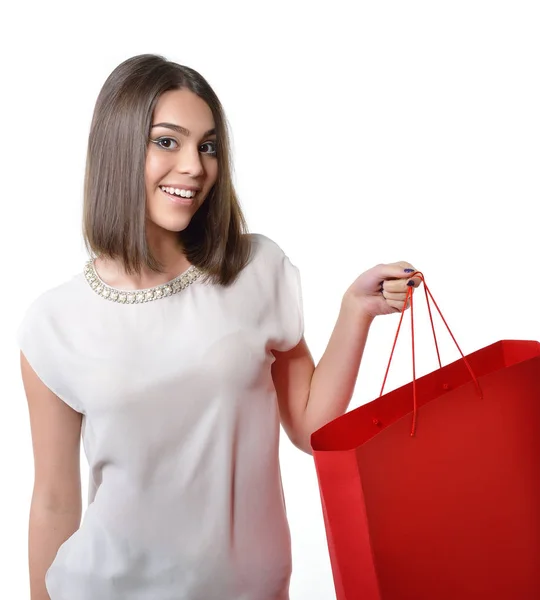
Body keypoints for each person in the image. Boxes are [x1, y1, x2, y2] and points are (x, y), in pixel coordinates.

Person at [18, 54, 420, 600]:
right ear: (117, 147)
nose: (194, 166)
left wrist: (355, 311)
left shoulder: (256, 270)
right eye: (167, 142)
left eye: (207, 146)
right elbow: (54, 502)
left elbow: (308, 427)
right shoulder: (54, 322)